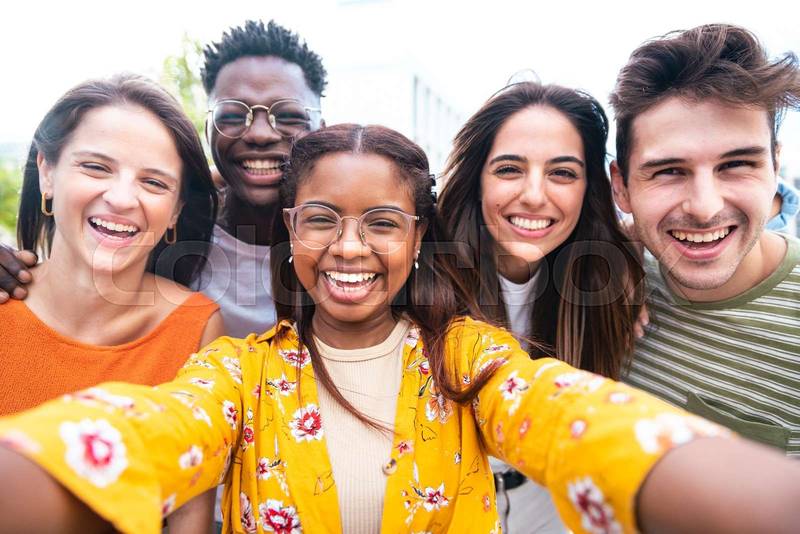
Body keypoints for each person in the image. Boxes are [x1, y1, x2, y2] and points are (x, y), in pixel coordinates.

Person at [1, 124, 799, 534]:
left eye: (381, 222)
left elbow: (567, 415)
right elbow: (152, 429)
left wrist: (740, 493)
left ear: (418, 239)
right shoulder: (239, 371)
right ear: (291, 229)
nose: (349, 248)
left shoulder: (468, 356)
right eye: (322, 220)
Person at [0, 19, 327, 342]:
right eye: (232, 115)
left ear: (322, 128)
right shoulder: (172, 219)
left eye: (288, 116)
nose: (259, 134)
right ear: (209, 129)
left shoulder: (346, 235)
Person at [0, 74, 224, 532]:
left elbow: (188, 514)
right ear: (47, 172)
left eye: (154, 182)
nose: (121, 198)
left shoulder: (196, 327)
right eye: (96, 168)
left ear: (176, 211)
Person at [438, 82, 643, 533]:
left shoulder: (610, 279)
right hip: (454, 507)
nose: (534, 195)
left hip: (551, 506)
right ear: (477, 179)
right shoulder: (425, 283)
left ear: (589, 188)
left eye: (562, 173)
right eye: (509, 169)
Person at [609, 24, 800, 456]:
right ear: (621, 186)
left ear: (775, 167)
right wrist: (615, 251)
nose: (704, 207)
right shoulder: (607, 278)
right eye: (668, 171)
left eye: (737, 164)